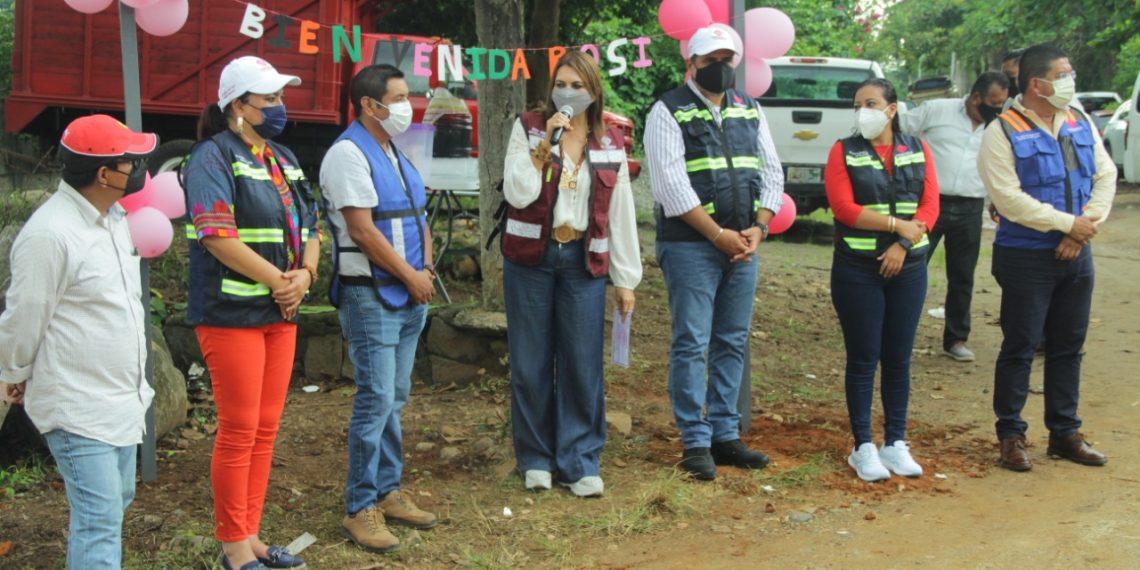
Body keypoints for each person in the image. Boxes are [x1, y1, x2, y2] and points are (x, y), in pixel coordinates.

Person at [0, 115, 155, 569]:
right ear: (104, 174)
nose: (140, 168)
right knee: (99, 517)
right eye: (130, 161)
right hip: (76, 402)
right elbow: (24, 314)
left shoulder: (114, 218)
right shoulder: (50, 234)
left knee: (117, 500)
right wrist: (14, 372)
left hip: (120, 397)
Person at [183, 56, 319, 570]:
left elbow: (313, 227)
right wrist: (280, 282)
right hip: (229, 312)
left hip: (280, 311)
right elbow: (216, 236)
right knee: (239, 428)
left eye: (282, 97)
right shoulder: (210, 158)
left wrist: (303, 276)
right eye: (271, 100)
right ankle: (234, 548)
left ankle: (251, 534)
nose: (281, 108)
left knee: (265, 428)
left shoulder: (282, 157)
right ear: (238, 106)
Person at [643, 26, 783, 481]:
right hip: (690, 248)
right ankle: (695, 441)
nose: (719, 67)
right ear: (692, 63)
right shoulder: (668, 110)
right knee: (692, 342)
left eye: (727, 59)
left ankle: (725, 435)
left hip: (743, 245)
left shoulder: (749, 109)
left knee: (732, 340)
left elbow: (772, 174)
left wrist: (759, 228)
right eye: (710, 60)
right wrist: (717, 234)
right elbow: (670, 187)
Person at [499, 51, 642, 497]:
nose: (568, 92)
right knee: (530, 363)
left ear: (593, 90)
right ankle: (536, 459)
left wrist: (626, 279)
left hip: (583, 262)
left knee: (582, 364)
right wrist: (548, 144)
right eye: (561, 83)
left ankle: (579, 461)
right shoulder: (528, 127)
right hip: (531, 262)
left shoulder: (609, 140)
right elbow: (518, 191)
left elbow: (621, 212)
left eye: (578, 85)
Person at [977, 43, 1116, 472]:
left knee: (1068, 346)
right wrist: (1066, 225)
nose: (1070, 79)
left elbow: (1105, 175)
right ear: (1037, 83)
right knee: (1020, 346)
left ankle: (1064, 432)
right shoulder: (1001, 132)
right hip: (1025, 257)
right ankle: (1011, 436)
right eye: (1063, 73)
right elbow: (1009, 199)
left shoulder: (1079, 120)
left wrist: (1083, 227)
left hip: (1076, 253)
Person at [320, 64, 438, 553]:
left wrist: (426, 269)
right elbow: (364, 231)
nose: (408, 105)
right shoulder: (347, 155)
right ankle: (359, 506)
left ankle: (388, 491)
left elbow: (419, 216)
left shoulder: (394, 152)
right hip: (372, 294)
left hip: (411, 293)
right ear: (370, 105)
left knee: (395, 397)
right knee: (374, 400)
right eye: (399, 97)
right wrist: (409, 276)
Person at [825, 78, 940, 482]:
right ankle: (863, 446)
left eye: (871, 103)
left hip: (907, 269)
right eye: (857, 105)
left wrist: (902, 245)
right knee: (863, 357)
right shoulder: (843, 151)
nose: (863, 112)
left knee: (898, 357)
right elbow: (843, 207)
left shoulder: (919, 148)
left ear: (892, 109)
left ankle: (895, 442)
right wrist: (896, 226)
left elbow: (930, 205)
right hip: (858, 271)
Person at [902, 72, 1009, 362]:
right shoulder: (937, 110)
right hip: (927, 204)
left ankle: (956, 339)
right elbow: (901, 129)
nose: (996, 108)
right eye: (992, 102)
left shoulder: (998, 126)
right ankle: (896, 332)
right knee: (910, 268)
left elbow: (999, 164)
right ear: (976, 97)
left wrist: (996, 199)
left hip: (970, 207)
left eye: (1001, 103)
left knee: (962, 276)